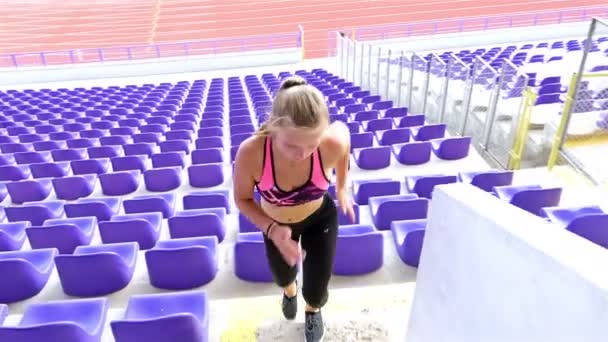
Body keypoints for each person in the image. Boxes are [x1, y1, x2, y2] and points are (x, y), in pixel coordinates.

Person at [233, 75, 355, 342]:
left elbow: (344, 138)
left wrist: (343, 186)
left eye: (311, 145)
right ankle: (289, 292)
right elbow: (242, 198)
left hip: (318, 218)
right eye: (291, 145)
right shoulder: (251, 153)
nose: (302, 154)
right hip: (275, 225)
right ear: (274, 129)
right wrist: (272, 229)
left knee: (318, 286)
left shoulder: (329, 144)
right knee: (282, 275)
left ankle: (312, 310)